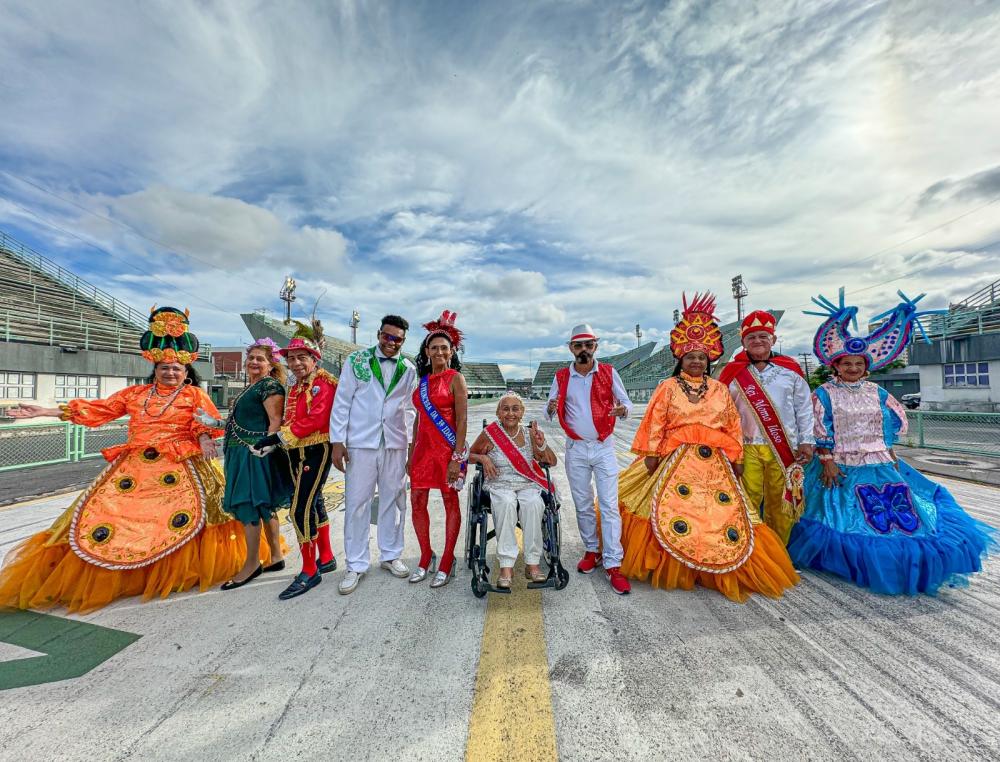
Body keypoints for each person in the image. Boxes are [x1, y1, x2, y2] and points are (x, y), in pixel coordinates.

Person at [0, 306, 275, 613]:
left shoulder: (194, 395)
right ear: (154, 369)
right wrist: (46, 411)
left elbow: (207, 422)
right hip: (134, 467)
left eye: (176, 369)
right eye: (164, 368)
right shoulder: (134, 394)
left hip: (182, 465)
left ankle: (173, 571)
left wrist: (202, 437)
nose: (170, 373)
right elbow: (100, 409)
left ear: (187, 373)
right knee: (111, 520)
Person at [788, 289, 995, 594]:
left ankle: (902, 563)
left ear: (867, 367)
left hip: (880, 462)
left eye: (858, 364)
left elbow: (886, 425)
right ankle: (853, 562)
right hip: (840, 465)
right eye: (846, 364)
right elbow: (822, 428)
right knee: (844, 515)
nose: (853, 369)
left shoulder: (878, 393)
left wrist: (890, 452)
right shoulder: (824, 394)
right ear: (835, 367)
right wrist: (827, 461)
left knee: (905, 515)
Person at [618, 293, 799, 602]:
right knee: (670, 510)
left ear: (709, 360)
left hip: (714, 463)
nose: (697, 361)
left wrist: (737, 456)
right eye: (691, 357)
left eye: (702, 357)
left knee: (714, 515)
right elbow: (655, 421)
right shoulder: (667, 387)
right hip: (673, 458)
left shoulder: (719, 389)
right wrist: (650, 454)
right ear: (681, 360)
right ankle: (677, 563)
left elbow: (732, 424)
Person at [330, 314, 417, 595]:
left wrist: (410, 444)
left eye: (397, 339)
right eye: (387, 337)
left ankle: (391, 555)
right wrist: (337, 441)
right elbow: (342, 400)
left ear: (403, 341)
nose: (391, 343)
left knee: (394, 499)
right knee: (357, 502)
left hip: (395, 443)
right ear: (379, 334)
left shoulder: (409, 367)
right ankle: (356, 564)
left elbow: (410, 408)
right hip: (360, 443)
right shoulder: (357, 361)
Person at [545, 323, 632, 595]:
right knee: (582, 503)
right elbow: (549, 410)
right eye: (578, 345)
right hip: (576, 448)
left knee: (608, 505)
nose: (584, 350)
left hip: (603, 446)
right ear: (571, 348)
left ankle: (613, 563)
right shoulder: (561, 377)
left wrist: (622, 410)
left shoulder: (608, 372)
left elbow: (626, 403)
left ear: (596, 346)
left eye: (589, 345)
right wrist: (549, 408)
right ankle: (592, 550)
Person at [197, 338, 290, 590]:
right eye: (251, 358)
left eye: (261, 359)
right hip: (241, 452)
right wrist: (214, 423)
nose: (254, 362)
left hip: (254, 453)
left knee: (250, 503)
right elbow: (234, 424)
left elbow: (275, 420)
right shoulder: (251, 387)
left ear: (271, 365)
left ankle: (251, 564)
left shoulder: (269, 385)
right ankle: (275, 556)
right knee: (263, 504)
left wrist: (267, 445)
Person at [252, 333, 338, 600]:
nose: (296, 363)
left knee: (300, 508)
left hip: (315, 449)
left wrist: (276, 438)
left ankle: (310, 570)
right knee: (315, 502)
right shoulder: (298, 384)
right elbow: (291, 418)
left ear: (314, 359)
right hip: (295, 451)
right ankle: (326, 557)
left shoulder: (324, 383)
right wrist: (278, 443)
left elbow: (315, 419)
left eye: (302, 357)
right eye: (291, 358)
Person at [719, 310, 814, 544]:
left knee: (781, 500)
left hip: (785, 447)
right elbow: (722, 411)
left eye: (763, 336)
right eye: (751, 338)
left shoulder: (790, 370)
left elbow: (804, 408)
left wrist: (807, 440)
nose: (758, 341)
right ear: (743, 342)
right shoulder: (732, 373)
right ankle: (748, 549)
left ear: (773, 339)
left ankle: (778, 550)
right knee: (745, 498)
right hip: (745, 447)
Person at [468, 392, 557, 588]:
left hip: (526, 483)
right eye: (505, 409)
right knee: (506, 502)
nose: (510, 413)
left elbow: (551, 461)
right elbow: (469, 455)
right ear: (498, 413)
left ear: (522, 412)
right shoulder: (490, 433)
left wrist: (541, 444)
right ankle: (506, 566)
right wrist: (483, 458)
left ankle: (532, 563)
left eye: (515, 409)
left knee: (534, 503)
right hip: (499, 483)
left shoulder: (529, 434)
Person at [407, 310, 468, 588]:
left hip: (447, 452)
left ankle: (446, 559)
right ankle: (424, 556)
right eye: (435, 347)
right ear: (427, 351)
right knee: (417, 503)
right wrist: (410, 455)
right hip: (422, 453)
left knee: (449, 503)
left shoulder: (456, 378)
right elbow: (419, 419)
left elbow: (463, 419)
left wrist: (457, 457)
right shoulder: (420, 382)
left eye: (445, 347)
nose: (440, 351)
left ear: (452, 351)